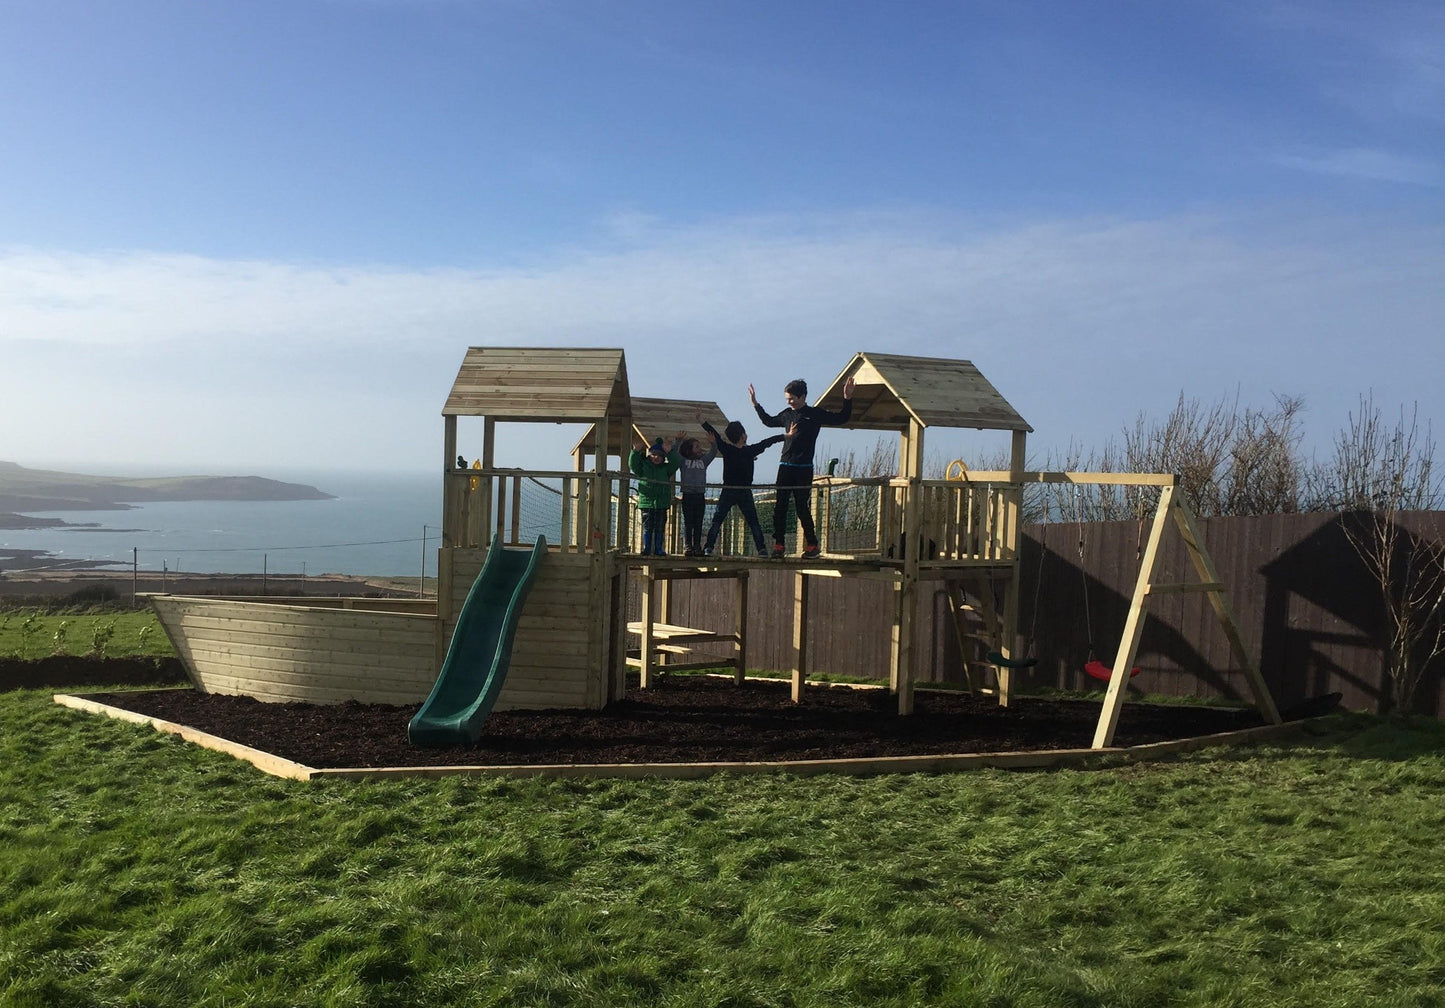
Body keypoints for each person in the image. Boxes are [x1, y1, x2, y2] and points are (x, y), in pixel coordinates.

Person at [750, 375, 855, 559]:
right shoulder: (786, 414)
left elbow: (841, 418)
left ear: (803, 396)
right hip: (785, 466)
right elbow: (768, 421)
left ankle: (812, 546)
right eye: (787, 399)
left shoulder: (815, 414)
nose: (789, 402)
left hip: (804, 468)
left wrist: (847, 398)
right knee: (780, 507)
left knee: (802, 507)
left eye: (792, 398)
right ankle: (779, 545)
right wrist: (756, 405)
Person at [700, 416, 784, 557]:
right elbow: (767, 442)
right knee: (753, 522)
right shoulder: (749, 451)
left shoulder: (727, 449)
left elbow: (716, 435)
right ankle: (761, 549)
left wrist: (703, 422)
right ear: (743, 435)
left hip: (729, 489)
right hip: (744, 491)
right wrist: (784, 436)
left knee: (717, 520)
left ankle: (708, 547)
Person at [628, 436, 681, 556]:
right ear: (649, 455)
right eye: (653, 455)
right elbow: (633, 464)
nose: (656, 457)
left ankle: (658, 548)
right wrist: (635, 451)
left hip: (661, 503)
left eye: (660, 455)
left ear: (663, 458)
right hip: (646, 503)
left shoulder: (666, 469)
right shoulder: (643, 467)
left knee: (660, 527)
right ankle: (647, 548)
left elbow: (676, 463)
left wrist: (670, 452)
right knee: (647, 527)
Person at [676, 431, 718, 557]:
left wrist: (713, 443)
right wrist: (678, 441)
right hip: (687, 495)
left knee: (698, 522)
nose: (700, 449)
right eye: (697, 446)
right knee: (688, 522)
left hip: (700, 495)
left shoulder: (703, 461)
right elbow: (674, 454)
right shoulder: (683, 462)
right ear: (690, 449)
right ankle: (688, 545)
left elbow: (712, 453)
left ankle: (697, 545)